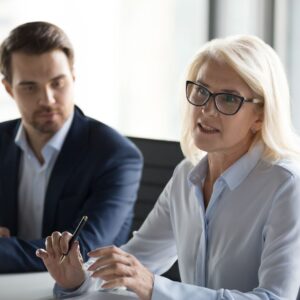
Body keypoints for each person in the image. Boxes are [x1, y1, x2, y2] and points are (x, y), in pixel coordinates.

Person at [37, 35, 300, 300]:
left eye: (229, 99)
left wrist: (154, 288)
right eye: (201, 91)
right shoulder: (188, 174)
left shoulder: (287, 185)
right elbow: (135, 262)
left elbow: (275, 298)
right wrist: (76, 279)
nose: (207, 110)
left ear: (260, 115)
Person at [0, 21, 143, 273]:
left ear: (73, 78)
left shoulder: (116, 155)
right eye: (30, 87)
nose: (48, 99)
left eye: (58, 83)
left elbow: (82, 249)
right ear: (10, 89)